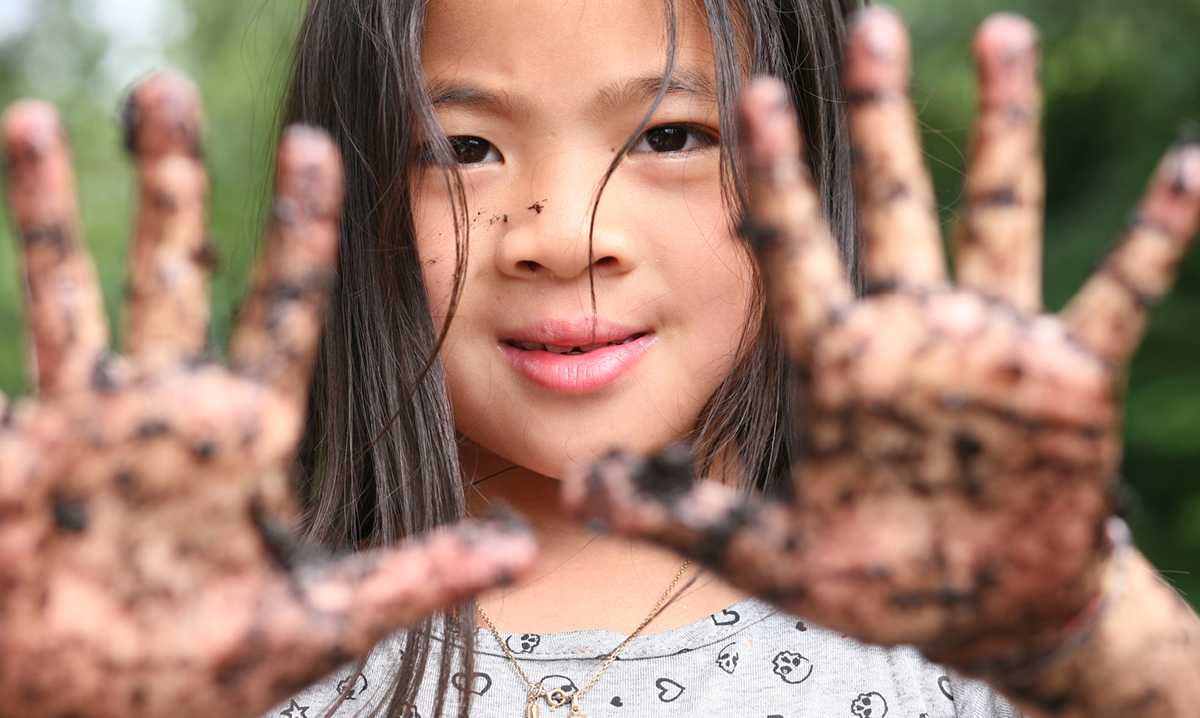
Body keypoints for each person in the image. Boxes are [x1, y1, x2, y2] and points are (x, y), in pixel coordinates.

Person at [0, 1, 1197, 718]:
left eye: (674, 134)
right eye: (462, 148)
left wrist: (1088, 630)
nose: (566, 234)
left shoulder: (972, 627)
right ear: (355, 191)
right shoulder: (221, 653)